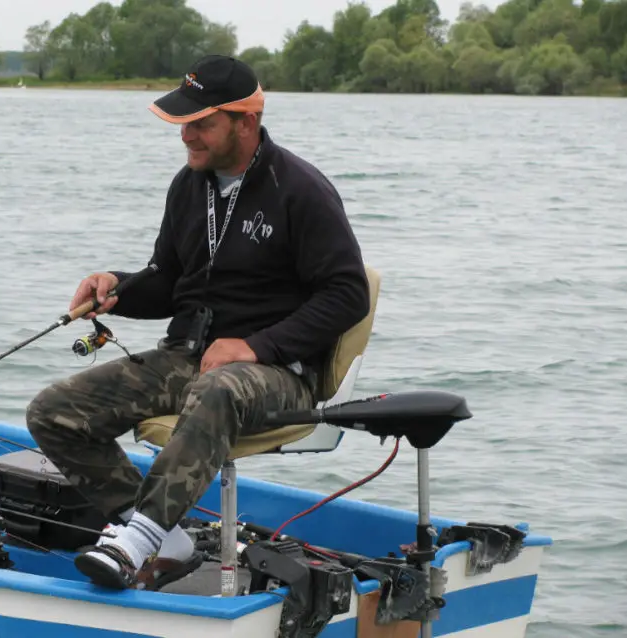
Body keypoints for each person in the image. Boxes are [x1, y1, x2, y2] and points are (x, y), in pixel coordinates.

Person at [25, 54, 370, 591]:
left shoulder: (301, 190)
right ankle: (167, 537)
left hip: (276, 373)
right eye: (183, 122)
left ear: (245, 122)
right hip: (190, 356)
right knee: (53, 412)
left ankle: (137, 541)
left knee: (218, 387)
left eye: (201, 123)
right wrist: (116, 285)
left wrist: (256, 346)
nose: (187, 135)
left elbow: (348, 295)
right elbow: (168, 281)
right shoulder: (189, 186)